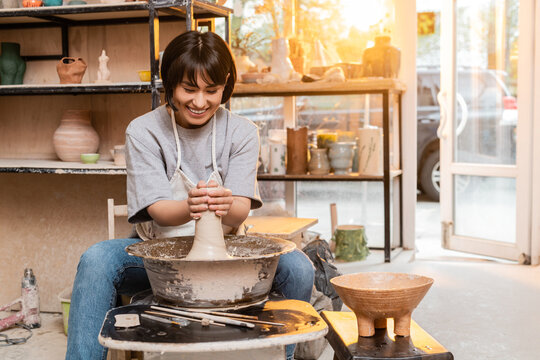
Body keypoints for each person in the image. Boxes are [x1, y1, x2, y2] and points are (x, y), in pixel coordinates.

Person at [66, 31, 314, 360]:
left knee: (299, 268)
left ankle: (282, 354)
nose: (200, 102)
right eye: (189, 89)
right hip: (158, 258)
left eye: (212, 91)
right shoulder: (144, 131)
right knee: (96, 259)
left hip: (227, 254)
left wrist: (226, 207)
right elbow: (157, 210)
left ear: (225, 84)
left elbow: (240, 210)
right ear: (170, 83)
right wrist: (190, 206)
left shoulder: (241, 132)